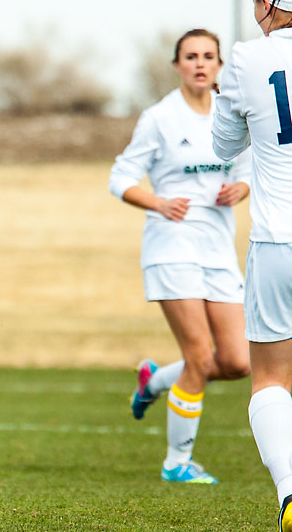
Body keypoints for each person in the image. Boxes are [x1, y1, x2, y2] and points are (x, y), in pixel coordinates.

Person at [109, 28, 251, 484]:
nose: (200, 64)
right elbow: (121, 178)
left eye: (209, 56)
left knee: (236, 362)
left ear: (219, 66)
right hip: (171, 248)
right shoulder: (159, 118)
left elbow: (248, 166)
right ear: (177, 66)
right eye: (191, 56)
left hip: (217, 250)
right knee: (198, 355)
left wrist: (241, 188)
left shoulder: (231, 113)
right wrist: (158, 202)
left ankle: (152, 381)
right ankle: (177, 462)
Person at [211, 0, 292, 530]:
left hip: (276, 243)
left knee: (270, 380)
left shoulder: (245, 58)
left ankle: (291, 492)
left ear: (267, 4)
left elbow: (222, 147)